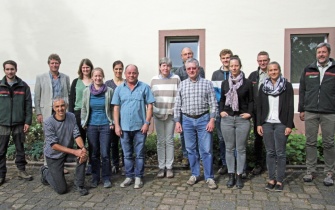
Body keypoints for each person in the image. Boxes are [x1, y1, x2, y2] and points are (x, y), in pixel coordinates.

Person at [174, 58, 218, 190]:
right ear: (186, 70)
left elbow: (213, 104)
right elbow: (177, 104)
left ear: (198, 69)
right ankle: (194, 174)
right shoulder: (182, 84)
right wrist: (177, 121)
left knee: (206, 150)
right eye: (189, 69)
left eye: (194, 68)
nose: (191, 70)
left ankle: (209, 177)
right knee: (191, 149)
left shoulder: (207, 83)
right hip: (187, 120)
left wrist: (212, 119)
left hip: (203, 119)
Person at [112, 64, 155, 189]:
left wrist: (147, 123)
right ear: (125, 74)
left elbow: (150, 106)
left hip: (140, 128)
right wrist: (117, 126)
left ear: (137, 73)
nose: (131, 75)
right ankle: (129, 176)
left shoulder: (145, 87)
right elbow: (116, 108)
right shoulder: (119, 89)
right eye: (129, 73)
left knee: (140, 154)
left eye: (134, 73)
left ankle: (138, 177)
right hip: (124, 128)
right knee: (127, 155)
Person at [299, 42, 335, 186]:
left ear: (329, 53)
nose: (321, 54)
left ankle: (329, 172)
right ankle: (310, 170)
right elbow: (302, 89)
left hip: (329, 112)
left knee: (329, 143)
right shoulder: (309, 69)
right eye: (319, 52)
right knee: (310, 142)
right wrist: (301, 109)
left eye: (323, 52)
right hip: (311, 111)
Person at [256, 62, 294, 192]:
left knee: (280, 153)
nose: (273, 72)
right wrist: (259, 124)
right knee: (270, 152)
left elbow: (290, 106)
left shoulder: (286, 86)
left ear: (279, 70)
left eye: (275, 69)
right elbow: (259, 107)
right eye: (270, 70)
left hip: (281, 123)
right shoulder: (263, 87)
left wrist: (289, 124)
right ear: (267, 72)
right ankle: (271, 179)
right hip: (267, 123)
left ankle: (279, 180)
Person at [40, 97, 88, 196]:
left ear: (66, 106)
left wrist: (82, 149)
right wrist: (75, 151)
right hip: (54, 155)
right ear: (53, 108)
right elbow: (54, 145)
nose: (60, 109)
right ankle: (45, 172)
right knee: (61, 190)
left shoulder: (71, 116)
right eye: (57, 106)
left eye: (62, 105)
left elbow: (76, 134)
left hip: (67, 151)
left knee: (83, 155)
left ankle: (79, 185)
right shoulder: (48, 122)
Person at [220, 55, 253, 189]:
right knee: (229, 148)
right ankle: (231, 175)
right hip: (227, 119)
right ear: (229, 67)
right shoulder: (224, 83)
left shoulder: (247, 83)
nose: (234, 68)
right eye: (232, 66)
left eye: (236, 65)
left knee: (241, 149)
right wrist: (221, 111)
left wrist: (249, 114)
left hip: (241, 119)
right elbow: (222, 99)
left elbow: (251, 100)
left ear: (240, 66)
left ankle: (239, 175)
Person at [34, 54, 71, 171]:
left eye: (56, 63)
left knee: (61, 138)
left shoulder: (65, 77)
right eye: (52, 63)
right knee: (48, 139)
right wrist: (38, 113)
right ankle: (47, 164)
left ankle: (60, 166)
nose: (54, 65)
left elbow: (68, 94)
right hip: (47, 112)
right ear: (49, 64)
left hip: (61, 111)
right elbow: (37, 97)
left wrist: (67, 111)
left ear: (60, 64)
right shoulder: (41, 77)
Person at [0, 60, 33, 186]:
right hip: (2, 123)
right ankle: (1, 174)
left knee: (20, 148)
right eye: (7, 69)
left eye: (12, 69)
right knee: (1, 150)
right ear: (4, 70)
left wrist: (28, 121)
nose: (10, 71)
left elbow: (28, 106)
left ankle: (21, 170)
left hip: (19, 122)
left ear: (16, 70)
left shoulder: (23, 86)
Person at [81, 67, 114, 188]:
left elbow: (112, 108)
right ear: (92, 78)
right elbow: (84, 108)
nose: (98, 78)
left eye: (100, 76)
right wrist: (84, 122)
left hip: (105, 125)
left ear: (103, 77)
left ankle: (106, 177)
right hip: (92, 126)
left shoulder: (109, 91)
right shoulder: (86, 92)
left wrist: (112, 122)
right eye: (95, 76)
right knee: (94, 154)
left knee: (105, 153)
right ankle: (95, 177)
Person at [174, 47, 206, 166]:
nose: (188, 56)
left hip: (198, 107)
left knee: (198, 134)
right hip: (184, 108)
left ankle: (199, 156)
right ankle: (186, 156)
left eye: (190, 54)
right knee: (184, 134)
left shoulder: (200, 69)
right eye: (185, 54)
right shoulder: (178, 72)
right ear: (181, 57)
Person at [151, 57, 180, 178]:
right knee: (160, 141)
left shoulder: (176, 78)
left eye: (168, 66)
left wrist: (174, 112)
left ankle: (169, 167)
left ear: (170, 67)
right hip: (158, 115)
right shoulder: (154, 80)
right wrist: (155, 110)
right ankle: (161, 167)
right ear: (159, 67)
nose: (165, 68)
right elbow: (151, 98)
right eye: (163, 65)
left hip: (170, 115)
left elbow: (179, 97)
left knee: (169, 141)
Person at [69, 58, 93, 175]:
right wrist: (71, 115)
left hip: (92, 114)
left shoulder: (94, 81)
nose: (85, 69)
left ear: (90, 68)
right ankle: (81, 163)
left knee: (92, 140)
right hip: (78, 114)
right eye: (83, 67)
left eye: (87, 67)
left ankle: (91, 165)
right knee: (81, 141)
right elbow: (71, 98)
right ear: (80, 69)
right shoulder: (76, 82)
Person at [248, 51, 270, 175]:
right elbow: (249, 95)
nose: (262, 63)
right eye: (260, 61)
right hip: (257, 112)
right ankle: (258, 163)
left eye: (265, 60)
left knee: (270, 137)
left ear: (268, 60)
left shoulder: (273, 73)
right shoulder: (253, 76)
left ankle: (271, 163)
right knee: (258, 137)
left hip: (271, 111)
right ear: (257, 61)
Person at [211, 49, 233, 175]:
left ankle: (235, 165)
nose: (226, 60)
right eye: (224, 58)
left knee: (233, 139)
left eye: (228, 57)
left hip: (233, 110)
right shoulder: (216, 74)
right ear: (221, 59)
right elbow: (214, 94)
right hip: (220, 110)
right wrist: (218, 111)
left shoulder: (235, 72)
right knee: (221, 139)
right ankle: (225, 164)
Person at [105, 60, 125, 174]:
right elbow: (107, 103)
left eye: (120, 69)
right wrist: (110, 120)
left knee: (125, 143)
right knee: (113, 143)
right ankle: (115, 164)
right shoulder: (108, 84)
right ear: (113, 70)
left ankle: (125, 165)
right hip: (112, 118)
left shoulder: (126, 83)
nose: (118, 71)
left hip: (125, 118)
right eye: (116, 69)